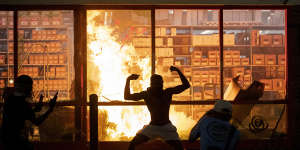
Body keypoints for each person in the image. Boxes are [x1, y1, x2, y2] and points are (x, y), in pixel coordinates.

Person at [124, 66, 190, 150]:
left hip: (162, 127)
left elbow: (127, 96)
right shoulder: (166, 93)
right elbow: (186, 85)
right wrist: (177, 71)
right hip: (157, 126)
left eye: (158, 83)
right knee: (133, 144)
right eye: (156, 83)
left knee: (133, 144)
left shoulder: (151, 94)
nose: (157, 85)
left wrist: (128, 80)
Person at [1, 75, 57, 150]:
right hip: (16, 141)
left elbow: (19, 114)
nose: (31, 89)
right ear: (26, 88)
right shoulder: (23, 103)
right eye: (30, 87)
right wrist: (50, 109)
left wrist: (34, 110)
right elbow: (36, 121)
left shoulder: (10, 99)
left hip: (7, 140)